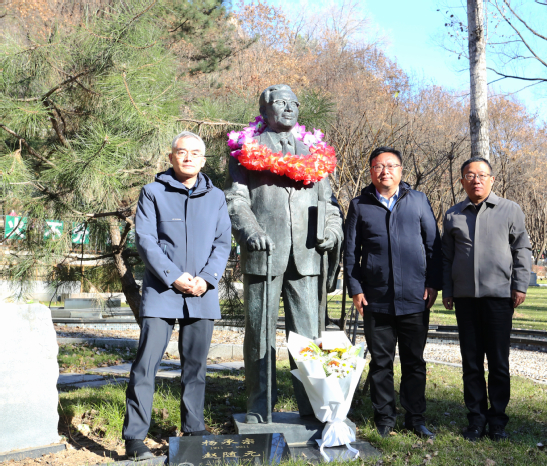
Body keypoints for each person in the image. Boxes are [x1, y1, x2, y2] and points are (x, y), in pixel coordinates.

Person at [224, 84, 343, 423]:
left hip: (307, 255)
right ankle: (259, 406)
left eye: (294, 103)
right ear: (264, 110)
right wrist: (251, 230)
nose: (289, 108)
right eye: (280, 102)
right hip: (265, 252)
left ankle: (313, 406)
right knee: (259, 333)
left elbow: (330, 205)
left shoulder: (315, 154)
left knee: (308, 336)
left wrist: (332, 232)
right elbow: (236, 200)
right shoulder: (246, 150)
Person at [123, 131, 231, 459]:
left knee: (196, 367)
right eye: (182, 152)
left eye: (195, 153)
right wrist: (173, 276)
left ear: (203, 160)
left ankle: (194, 432)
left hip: (202, 292)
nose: (188, 157)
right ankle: (135, 439)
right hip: (161, 291)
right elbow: (145, 240)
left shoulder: (216, 197)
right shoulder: (152, 192)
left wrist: (207, 280)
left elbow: (222, 243)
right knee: (146, 364)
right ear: (171, 157)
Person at [344, 146, 442, 439]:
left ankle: (416, 419)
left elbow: (433, 246)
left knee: (414, 362)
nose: (385, 171)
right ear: (371, 171)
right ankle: (385, 418)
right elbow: (351, 253)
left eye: (391, 166)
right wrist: (355, 289)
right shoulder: (360, 205)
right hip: (376, 298)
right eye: (378, 166)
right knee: (381, 362)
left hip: (414, 297)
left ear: (401, 170)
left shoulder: (418, 200)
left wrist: (432, 284)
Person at [442, 156, 531, 442]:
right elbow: (446, 257)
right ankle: (476, 419)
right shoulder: (453, 215)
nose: (476, 180)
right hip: (465, 299)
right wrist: (448, 289)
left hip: (499, 298)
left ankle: (497, 421)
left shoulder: (510, 209)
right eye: (470, 175)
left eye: (482, 175)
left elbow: (522, 249)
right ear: (462, 181)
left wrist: (520, 286)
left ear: (492, 179)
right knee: (471, 362)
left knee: (498, 362)